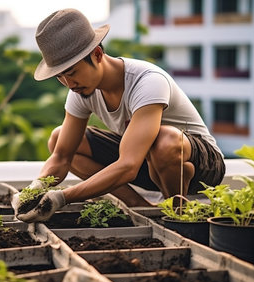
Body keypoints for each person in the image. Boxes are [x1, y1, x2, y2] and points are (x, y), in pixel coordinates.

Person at [12, 8, 225, 223]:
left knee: (164, 141)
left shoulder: (148, 81)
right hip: (147, 165)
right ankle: (139, 207)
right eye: (60, 77)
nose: (68, 84)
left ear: (97, 54)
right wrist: (34, 189)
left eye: (72, 72)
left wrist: (60, 198)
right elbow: (61, 157)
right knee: (59, 138)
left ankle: (176, 214)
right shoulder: (80, 90)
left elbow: (128, 166)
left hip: (202, 166)